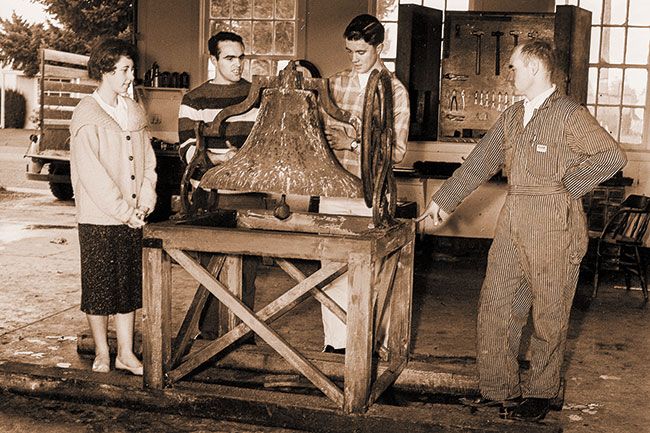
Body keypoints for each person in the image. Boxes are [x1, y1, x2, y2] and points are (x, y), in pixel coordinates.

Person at [416, 39, 626, 421]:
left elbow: (612, 156)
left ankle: (542, 393)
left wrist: (567, 187)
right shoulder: (514, 115)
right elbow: (479, 162)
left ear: (533, 68)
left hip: (553, 224)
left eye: (512, 66)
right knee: (496, 304)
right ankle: (499, 389)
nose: (508, 73)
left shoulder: (568, 114)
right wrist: (442, 200)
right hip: (513, 220)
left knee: (549, 313)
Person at [319, 14, 410, 354]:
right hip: (334, 191)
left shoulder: (395, 92)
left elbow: (397, 151)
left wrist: (354, 143)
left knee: (372, 272)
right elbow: (322, 135)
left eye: (361, 51)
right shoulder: (333, 84)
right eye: (349, 51)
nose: (354, 58)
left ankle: (370, 346)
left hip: (370, 196)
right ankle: (337, 346)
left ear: (379, 48)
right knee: (331, 270)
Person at [70, 38, 158, 376]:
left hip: (132, 217)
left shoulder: (132, 110)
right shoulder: (87, 114)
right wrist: (125, 211)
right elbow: (93, 175)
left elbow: (148, 163)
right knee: (99, 285)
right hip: (99, 217)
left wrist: (146, 201)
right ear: (105, 70)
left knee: (127, 285)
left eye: (131, 69)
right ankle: (103, 352)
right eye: (124, 70)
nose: (130, 77)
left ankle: (126, 353)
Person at [177, 31, 261, 340]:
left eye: (241, 57)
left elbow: (265, 145)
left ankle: (242, 334)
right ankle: (211, 334)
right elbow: (186, 147)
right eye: (229, 58)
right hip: (210, 197)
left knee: (246, 272)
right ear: (213, 60)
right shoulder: (193, 99)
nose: (237, 64)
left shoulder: (258, 95)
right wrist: (216, 157)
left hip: (249, 195)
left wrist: (244, 158)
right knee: (211, 269)